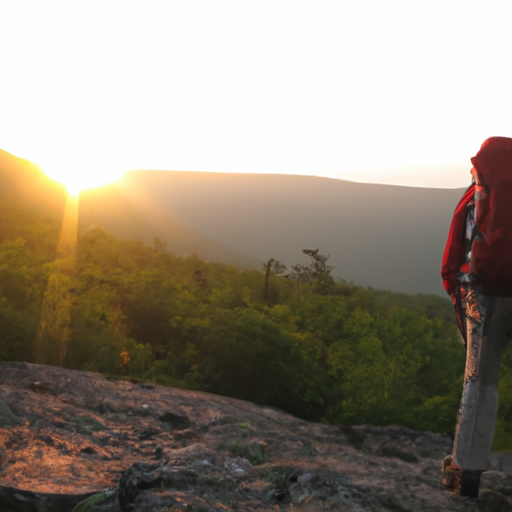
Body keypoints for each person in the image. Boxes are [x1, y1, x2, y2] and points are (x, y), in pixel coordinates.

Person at [441, 137, 512, 498]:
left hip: (479, 291)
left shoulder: (475, 199)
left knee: (476, 377)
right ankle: (474, 463)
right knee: (491, 377)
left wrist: (455, 292)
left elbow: (453, 252)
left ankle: (465, 470)